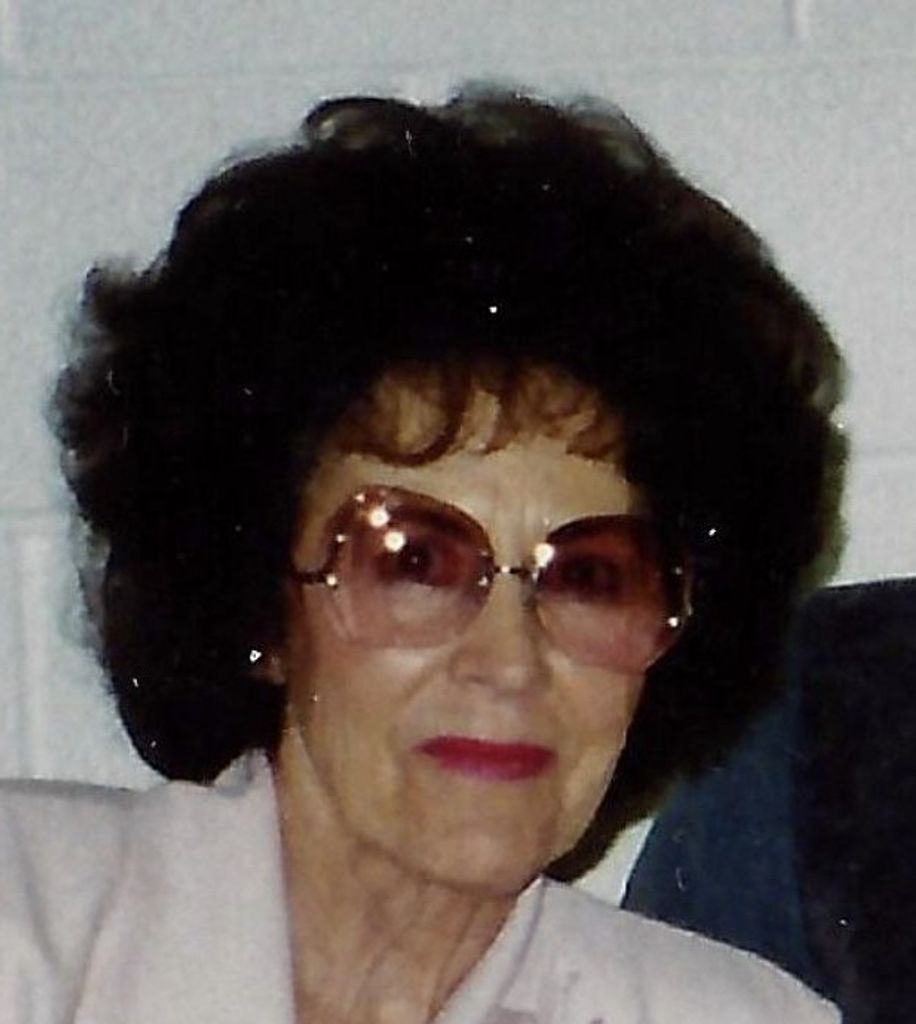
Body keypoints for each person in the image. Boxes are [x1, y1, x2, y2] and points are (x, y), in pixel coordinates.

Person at [0, 89, 845, 1023]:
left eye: (590, 577)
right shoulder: (30, 930)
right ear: (259, 608)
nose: (509, 664)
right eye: (416, 563)